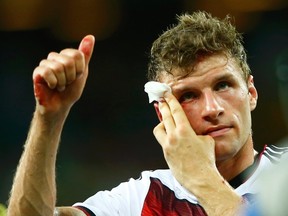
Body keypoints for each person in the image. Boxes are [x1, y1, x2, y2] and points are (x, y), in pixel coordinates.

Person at [7, 11, 288, 216]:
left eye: (223, 85)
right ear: (163, 113)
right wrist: (49, 118)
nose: (212, 109)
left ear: (251, 93)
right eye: (188, 95)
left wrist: (201, 178)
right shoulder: (143, 197)